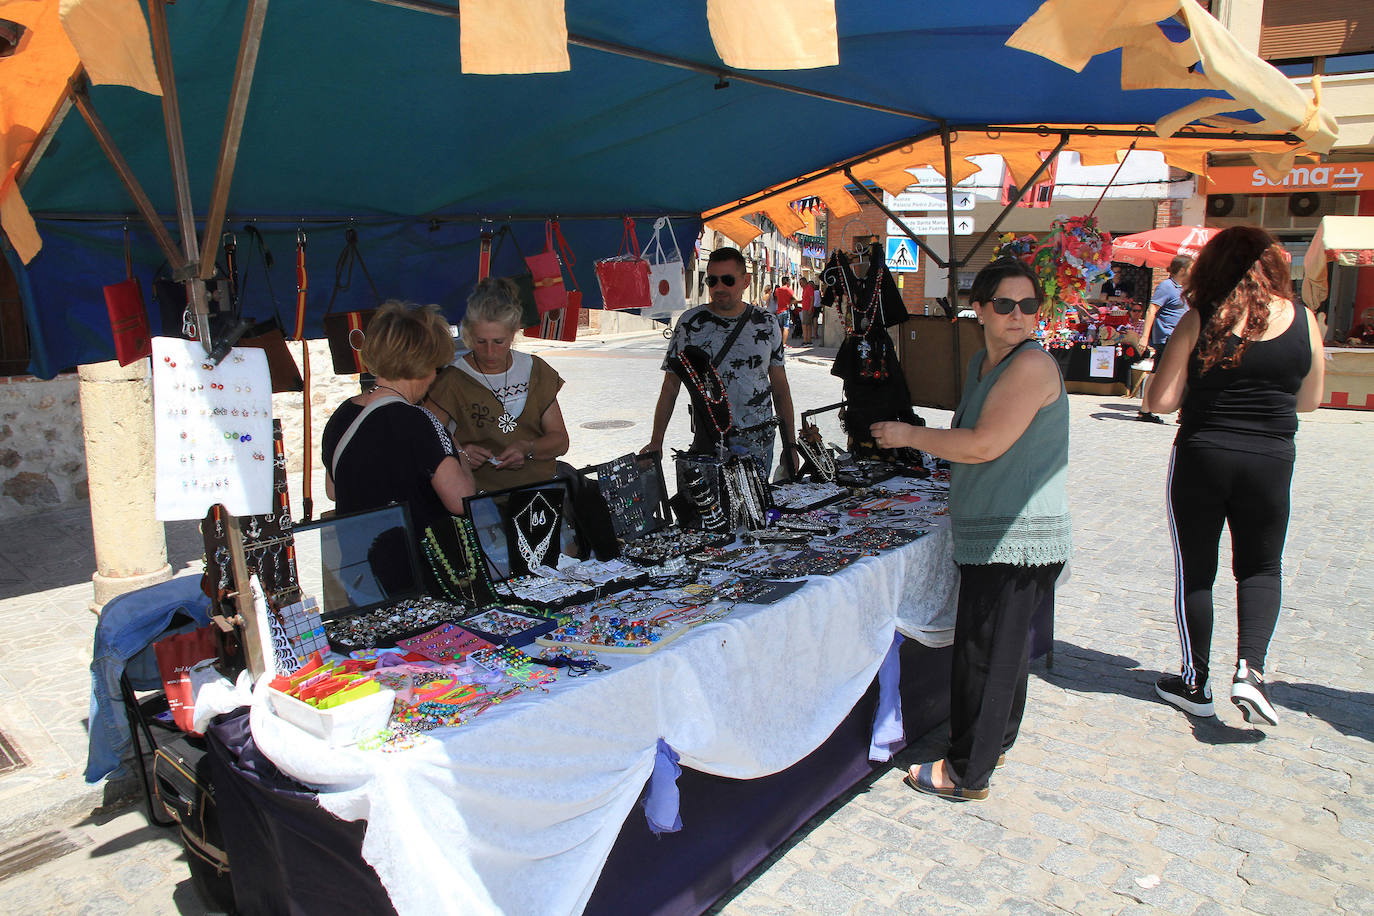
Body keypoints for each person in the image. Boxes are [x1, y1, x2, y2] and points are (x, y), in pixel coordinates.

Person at [871, 257, 1070, 801]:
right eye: (1004, 305)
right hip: (994, 529)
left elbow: (983, 443)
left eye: (1029, 306)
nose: (1018, 315)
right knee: (998, 650)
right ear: (978, 309)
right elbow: (969, 436)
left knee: (986, 653)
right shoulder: (987, 361)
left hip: (1017, 534)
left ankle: (966, 771)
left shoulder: (1030, 366)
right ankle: (994, 742)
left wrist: (909, 434)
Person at [1148, 226, 1325, 726]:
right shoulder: (1304, 320)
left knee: (1196, 569)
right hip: (1271, 458)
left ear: (1213, 267)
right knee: (1262, 566)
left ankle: (1195, 680)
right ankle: (1250, 670)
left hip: (1204, 453)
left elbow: (1159, 401)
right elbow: (1309, 400)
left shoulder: (1200, 318)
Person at [321, 300, 475, 537]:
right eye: (437, 367)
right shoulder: (422, 421)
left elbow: (333, 491)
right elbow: (461, 500)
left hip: (361, 562)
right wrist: (459, 451)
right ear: (423, 365)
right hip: (411, 563)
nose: (435, 375)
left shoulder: (343, 414)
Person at [644, 247, 798, 477]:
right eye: (712, 281)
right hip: (709, 440)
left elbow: (780, 388)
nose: (719, 288)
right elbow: (670, 387)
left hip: (758, 442)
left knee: (755, 509)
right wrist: (656, 442)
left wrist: (790, 444)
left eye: (727, 280)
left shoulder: (766, 322)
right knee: (710, 510)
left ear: (746, 281)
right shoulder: (690, 323)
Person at [426, 277, 571, 492]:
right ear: (468, 335)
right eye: (480, 342)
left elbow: (560, 441)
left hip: (541, 492)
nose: (490, 352)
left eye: (499, 342)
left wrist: (528, 448)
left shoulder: (535, 370)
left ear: (513, 333)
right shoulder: (452, 381)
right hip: (483, 500)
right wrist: (461, 453)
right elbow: (427, 442)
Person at [1138, 254, 1193, 423]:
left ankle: (1182, 412)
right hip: (1167, 337)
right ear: (1182, 269)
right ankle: (1145, 410)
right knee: (1156, 372)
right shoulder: (1166, 286)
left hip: (1182, 337)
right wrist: (1144, 337)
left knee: (1185, 373)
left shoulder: (1185, 287)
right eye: (1191, 268)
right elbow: (1151, 310)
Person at [775, 277, 795, 346]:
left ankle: (779, 343)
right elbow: (796, 298)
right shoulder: (789, 290)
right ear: (787, 282)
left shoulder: (777, 290)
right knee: (786, 327)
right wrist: (790, 302)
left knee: (780, 327)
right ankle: (783, 344)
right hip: (786, 310)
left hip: (779, 311)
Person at [800, 277, 818, 346]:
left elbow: (812, 298)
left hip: (807, 309)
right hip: (805, 308)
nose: (800, 284)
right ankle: (808, 340)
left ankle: (806, 341)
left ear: (805, 282)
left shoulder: (809, 288)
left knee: (805, 325)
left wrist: (810, 308)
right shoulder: (804, 289)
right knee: (807, 325)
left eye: (801, 283)